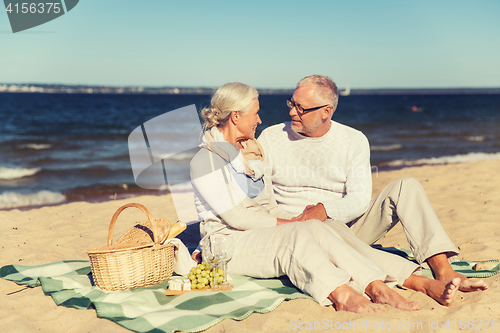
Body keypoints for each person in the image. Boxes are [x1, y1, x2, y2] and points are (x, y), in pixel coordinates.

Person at [190, 82, 461, 313]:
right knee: (302, 232)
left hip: (285, 230)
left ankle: (382, 285)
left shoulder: (249, 151)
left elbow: (268, 206)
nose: (261, 120)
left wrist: (311, 217)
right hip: (227, 245)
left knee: (317, 227)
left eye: (300, 107)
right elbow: (238, 216)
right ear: (236, 117)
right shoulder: (205, 161)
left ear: (326, 111)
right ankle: (342, 294)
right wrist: (296, 223)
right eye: (256, 113)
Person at [257, 74, 488, 293]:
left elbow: (358, 199)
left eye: (301, 108)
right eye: (291, 103)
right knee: (322, 229)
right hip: (295, 230)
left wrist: (325, 209)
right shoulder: (271, 137)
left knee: (407, 185)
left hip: (346, 225)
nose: (292, 112)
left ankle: (443, 269)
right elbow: (259, 194)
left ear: (326, 111)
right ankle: (414, 279)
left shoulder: (353, 140)